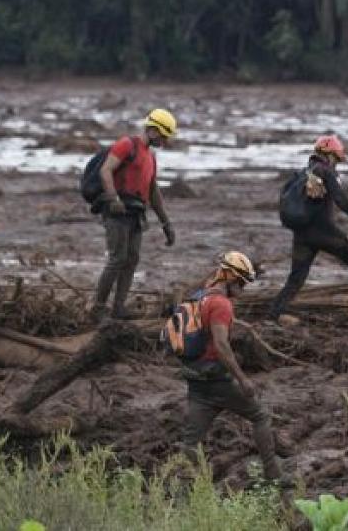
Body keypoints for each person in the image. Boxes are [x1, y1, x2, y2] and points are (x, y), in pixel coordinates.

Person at [179, 251, 285, 483]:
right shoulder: (221, 304)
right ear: (229, 277)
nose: (243, 288)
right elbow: (221, 344)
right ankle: (273, 474)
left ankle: (184, 489)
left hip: (195, 378)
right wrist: (242, 379)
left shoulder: (197, 297)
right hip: (218, 380)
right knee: (260, 415)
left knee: (190, 442)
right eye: (241, 282)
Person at [270, 134, 348, 324]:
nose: (337, 164)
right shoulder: (326, 171)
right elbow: (340, 198)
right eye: (337, 159)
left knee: (296, 277)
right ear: (331, 155)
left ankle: (276, 312)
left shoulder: (302, 173)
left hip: (301, 235)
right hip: (324, 233)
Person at [90, 108, 177, 320]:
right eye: (164, 136)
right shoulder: (126, 145)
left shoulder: (151, 157)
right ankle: (98, 309)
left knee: (132, 259)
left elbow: (153, 190)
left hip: (136, 214)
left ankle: (118, 307)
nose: (165, 142)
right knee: (117, 259)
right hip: (117, 211)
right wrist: (113, 198)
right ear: (154, 131)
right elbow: (106, 170)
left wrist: (166, 223)